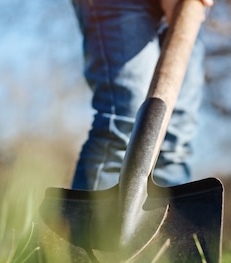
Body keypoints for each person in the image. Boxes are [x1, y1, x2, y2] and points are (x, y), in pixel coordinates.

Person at [70, 0, 214, 191]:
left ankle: (162, 220)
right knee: (125, 123)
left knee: (176, 138)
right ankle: (96, 220)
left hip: (188, 6)